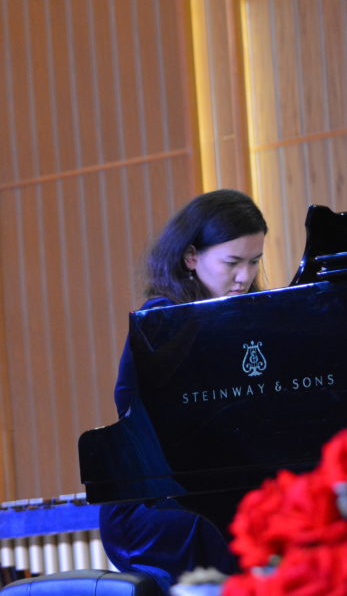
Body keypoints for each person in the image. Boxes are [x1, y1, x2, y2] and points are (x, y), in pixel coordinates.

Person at [99, 189, 268, 593]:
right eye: (232, 262)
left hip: (216, 487)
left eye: (254, 261)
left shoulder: (255, 319)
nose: (244, 276)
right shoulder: (161, 320)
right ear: (191, 257)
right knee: (232, 528)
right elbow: (138, 414)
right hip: (155, 501)